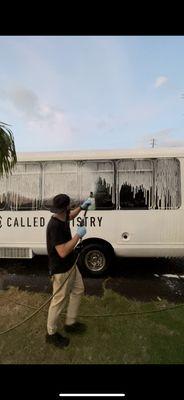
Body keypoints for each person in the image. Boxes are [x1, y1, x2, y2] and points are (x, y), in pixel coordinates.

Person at [45, 193, 91, 348]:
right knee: (58, 302)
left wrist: (82, 207)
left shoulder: (63, 216)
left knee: (78, 289)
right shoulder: (54, 226)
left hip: (71, 265)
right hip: (60, 269)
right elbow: (63, 251)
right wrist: (78, 235)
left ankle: (70, 323)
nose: (59, 212)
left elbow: (70, 215)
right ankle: (51, 334)